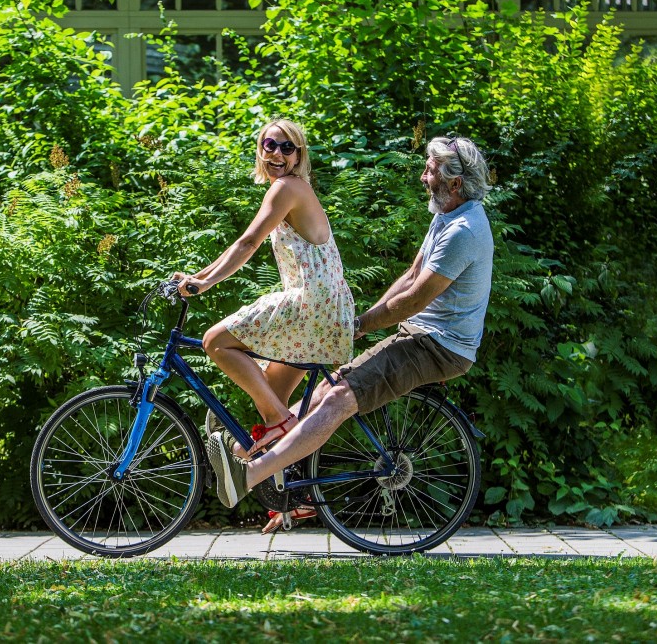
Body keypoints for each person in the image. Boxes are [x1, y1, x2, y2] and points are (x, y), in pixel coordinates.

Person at [206, 135, 494, 520]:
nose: (424, 177)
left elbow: (414, 299)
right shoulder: (446, 215)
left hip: (441, 346)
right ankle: (246, 452)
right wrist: (363, 321)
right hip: (419, 335)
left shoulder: (464, 231)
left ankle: (250, 475)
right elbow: (410, 275)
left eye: (431, 170)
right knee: (326, 387)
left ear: (455, 183)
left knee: (340, 398)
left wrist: (361, 324)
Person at [174, 119, 354, 477]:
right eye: (271, 144)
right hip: (326, 308)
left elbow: (247, 243)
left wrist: (204, 283)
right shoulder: (291, 188)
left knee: (215, 342)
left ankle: (275, 422)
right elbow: (246, 242)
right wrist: (199, 277)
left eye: (288, 148)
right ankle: (295, 494)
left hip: (310, 302)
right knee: (273, 394)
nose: (277, 154)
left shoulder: (287, 187)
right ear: (260, 148)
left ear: (298, 155)